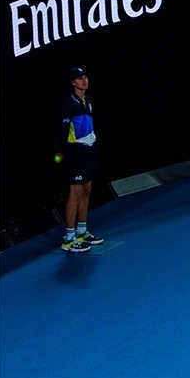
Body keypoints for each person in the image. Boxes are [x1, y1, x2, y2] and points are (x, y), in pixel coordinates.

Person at [59, 67, 104, 253]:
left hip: (89, 149)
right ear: (73, 82)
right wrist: (64, 152)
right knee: (75, 192)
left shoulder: (89, 100)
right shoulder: (69, 103)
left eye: (85, 77)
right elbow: (63, 129)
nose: (84, 80)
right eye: (79, 78)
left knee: (87, 189)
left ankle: (82, 231)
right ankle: (69, 238)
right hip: (75, 151)